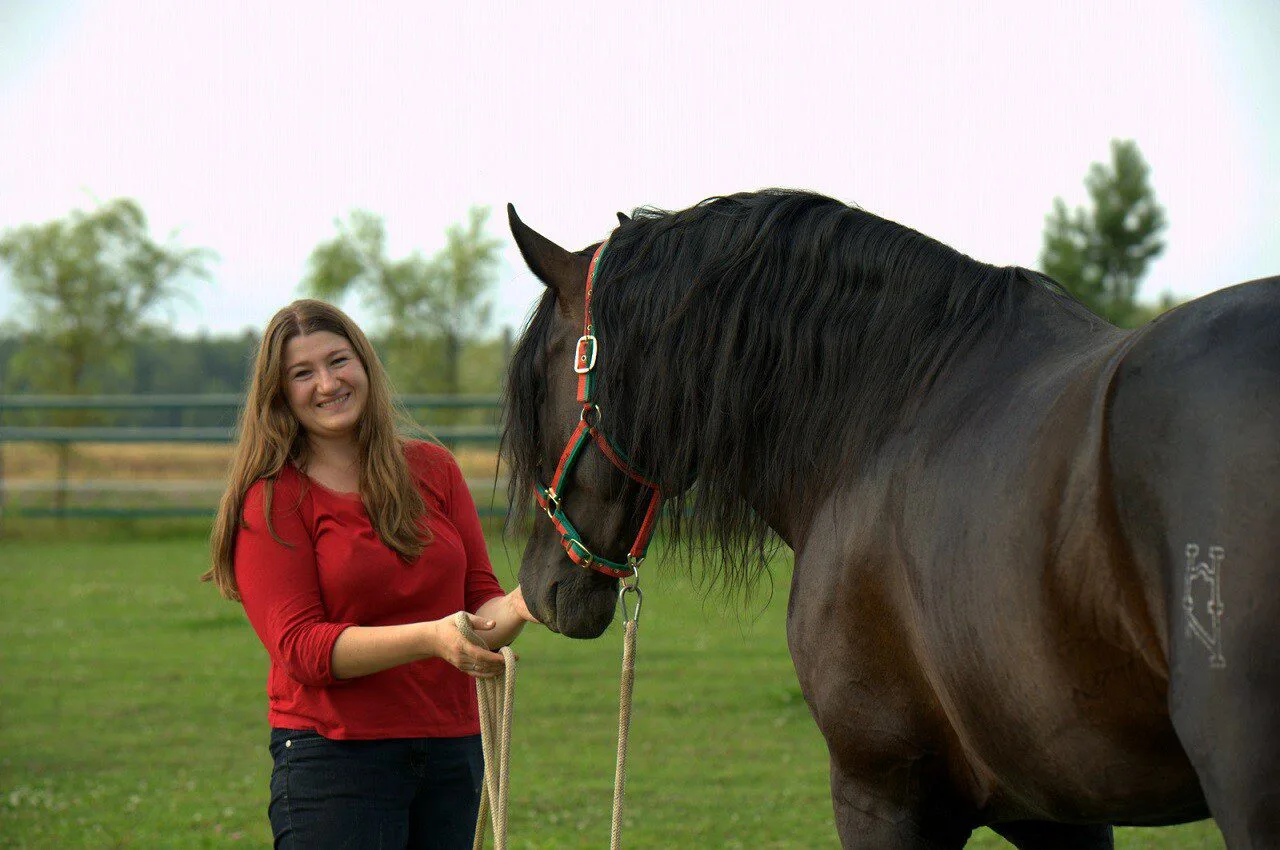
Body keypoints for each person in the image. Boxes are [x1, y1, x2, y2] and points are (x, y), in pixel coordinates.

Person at [203, 298, 538, 849]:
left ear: (364, 365)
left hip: (453, 751)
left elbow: (480, 607)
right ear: (280, 393)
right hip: (335, 759)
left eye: (338, 361)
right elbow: (302, 649)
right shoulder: (272, 498)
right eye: (302, 373)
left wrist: (528, 601)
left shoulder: (435, 470)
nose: (327, 383)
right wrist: (432, 639)